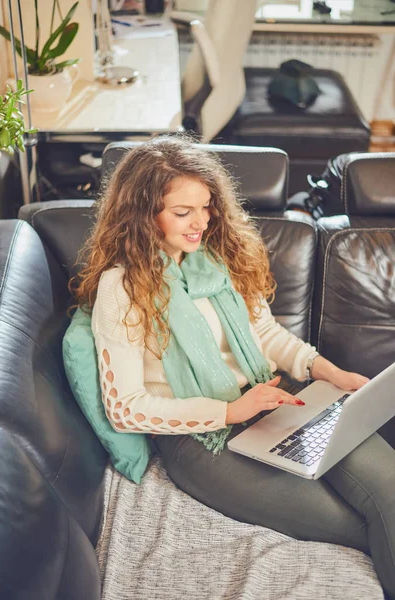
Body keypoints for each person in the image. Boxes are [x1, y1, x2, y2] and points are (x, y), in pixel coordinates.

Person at [71, 135, 395, 599]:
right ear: (142, 213)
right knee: (360, 525)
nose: (200, 222)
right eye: (183, 212)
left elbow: (266, 335)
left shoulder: (223, 256)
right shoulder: (121, 288)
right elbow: (126, 408)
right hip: (204, 440)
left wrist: (328, 372)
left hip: (279, 401)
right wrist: (230, 412)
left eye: (205, 207)